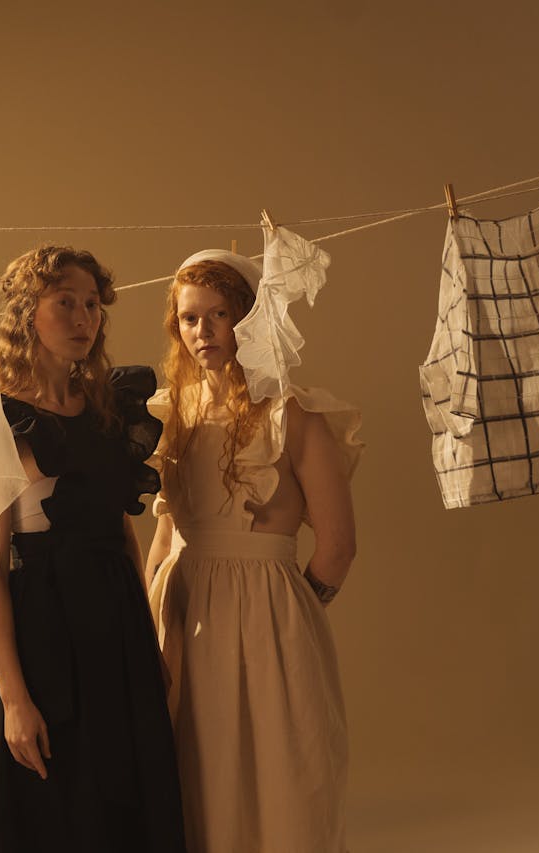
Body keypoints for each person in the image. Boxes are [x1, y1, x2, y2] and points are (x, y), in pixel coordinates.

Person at [0, 246, 187, 853]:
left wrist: (146, 638)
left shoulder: (114, 406)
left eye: (92, 305)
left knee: (123, 803)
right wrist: (13, 698)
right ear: (28, 313)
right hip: (41, 631)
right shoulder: (1, 418)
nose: (85, 317)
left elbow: (123, 534)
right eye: (66, 303)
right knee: (52, 807)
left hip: (115, 627)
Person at [145, 248, 363, 853]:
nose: (203, 331)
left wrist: (296, 613)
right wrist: (149, 618)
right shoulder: (173, 415)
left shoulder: (293, 415)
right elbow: (163, 536)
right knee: (195, 769)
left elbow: (338, 544)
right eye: (189, 318)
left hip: (267, 613)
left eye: (220, 315)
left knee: (280, 771)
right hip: (183, 612)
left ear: (249, 320)